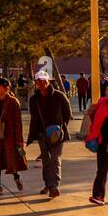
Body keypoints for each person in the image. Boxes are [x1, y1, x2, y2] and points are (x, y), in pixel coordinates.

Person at [27, 69, 72, 199]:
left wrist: (61, 128)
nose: (41, 83)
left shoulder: (59, 96)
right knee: (46, 160)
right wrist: (31, 136)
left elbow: (67, 113)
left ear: (49, 81)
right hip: (42, 134)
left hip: (57, 134)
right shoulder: (34, 99)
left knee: (55, 159)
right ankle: (48, 184)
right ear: (35, 82)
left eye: (43, 80)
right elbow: (34, 118)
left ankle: (54, 186)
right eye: (38, 81)